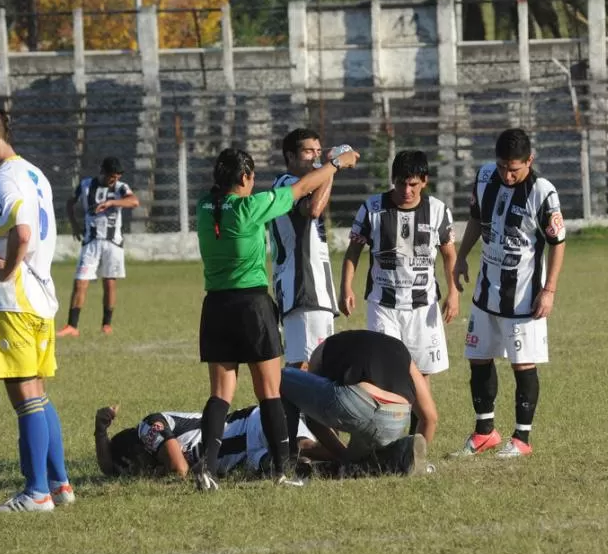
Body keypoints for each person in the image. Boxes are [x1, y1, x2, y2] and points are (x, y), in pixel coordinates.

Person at [193, 145, 360, 490]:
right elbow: (300, 190)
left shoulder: (204, 207)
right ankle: (283, 470)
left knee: (221, 393)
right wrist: (335, 165)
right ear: (244, 178)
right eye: (251, 178)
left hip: (215, 307)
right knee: (270, 390)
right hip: (251, 306)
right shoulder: (250, 207)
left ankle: (206, 468)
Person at [0, 103, 74, 512]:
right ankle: (59, 485)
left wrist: (5, 274)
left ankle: (37, 492)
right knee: (37, 394)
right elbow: (19, 238)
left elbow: (21, 234)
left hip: (16, 302)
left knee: (24, 397)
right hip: (40, 297)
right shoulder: (34, 173)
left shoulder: (5, 179)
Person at [452, 128, 566, 458]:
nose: (507, 174)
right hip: (487, 290)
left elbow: (558, 244)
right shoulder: (485, 176)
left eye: (514, 168)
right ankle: (485, 432)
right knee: (478, 357)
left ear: (529, 161)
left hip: (523, 297)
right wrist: (461, 257)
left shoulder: (543, 192)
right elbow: (476, 220)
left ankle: (521, 439)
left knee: (522, 364)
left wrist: (549, 290)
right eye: (502, 166)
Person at [340, 150, 458, 433]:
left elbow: (449, 254)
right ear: (393, 180)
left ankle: (415, 442)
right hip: (384, 305)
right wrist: (346, 287)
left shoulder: (439, 211)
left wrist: (453, 292)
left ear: (425, 181)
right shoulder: (372, 208)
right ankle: (387, 437)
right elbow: (353, 251)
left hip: (423, 306)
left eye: (413, 184)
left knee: (421, 376)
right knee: (385, 374)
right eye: (401, 183)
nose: (406, 190)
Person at [280, 329, 438, 476]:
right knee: (365, 463)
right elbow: (430, 418)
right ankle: (401, 454)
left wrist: (341, 454)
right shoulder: (403, 353)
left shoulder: (324, 349)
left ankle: (288, 457)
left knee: (282, 376)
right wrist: (419, 453)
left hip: (357, 402)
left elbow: (314, 419)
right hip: (396, 418)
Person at [269, 128, 340, 370]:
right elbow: (313, 209)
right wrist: (332, 166)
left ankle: (292, 409)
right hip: (304, 287)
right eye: (309, 151)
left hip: (310, 288)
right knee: (306, 366)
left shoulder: (300, 185)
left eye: (318, 152)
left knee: (311, 364)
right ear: (290, 156)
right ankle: (292, 410)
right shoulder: (287, 184)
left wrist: (327, 169)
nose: (315, 157)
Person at [93, 404, 323, 479]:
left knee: (302, 446)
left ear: (135, 451)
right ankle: (340, 465)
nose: (138, 474)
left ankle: (349, 456)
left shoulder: (147, 428)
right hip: (248, 458)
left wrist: (163, 471)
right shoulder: (147, 452)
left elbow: (179, 469)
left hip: (252, 425)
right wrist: (100, 430)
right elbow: (108, 468)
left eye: (134, 468)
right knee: (293, 464)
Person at [58, 156, 139, 337]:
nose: (115, 180)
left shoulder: (120, 188)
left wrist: (112, 203)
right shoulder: (86, 185)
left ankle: (106, 324)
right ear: (102, 172)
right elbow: (70, 202)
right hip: (91, 242)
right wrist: (74, 225)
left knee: (109, 283)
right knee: (80, 282)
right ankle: (72, 326)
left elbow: (134, 201)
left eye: (117, 177)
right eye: (112, 176)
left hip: (113, 243)